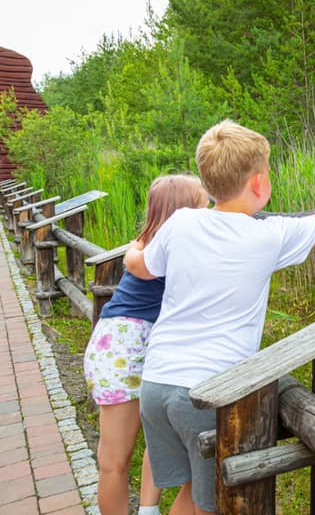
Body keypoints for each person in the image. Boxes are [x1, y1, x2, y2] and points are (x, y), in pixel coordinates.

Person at [124, 119, 315, 515]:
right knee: (212, 503)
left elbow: (143, 267)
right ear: (260, 183)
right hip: (203, 392)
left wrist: (130, 254)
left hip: (157, 384)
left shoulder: (181, 223)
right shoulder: (267, 236)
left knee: (190, 492)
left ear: (206, 181)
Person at [84, 174, 210, 515]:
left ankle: (148, 509)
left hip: (123, 345)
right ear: (184, 211)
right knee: (114, 461)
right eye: (203, 204)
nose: (209, 210)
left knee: (153, 440)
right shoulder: (166, 249)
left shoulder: (146, 244)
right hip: (123, 350)